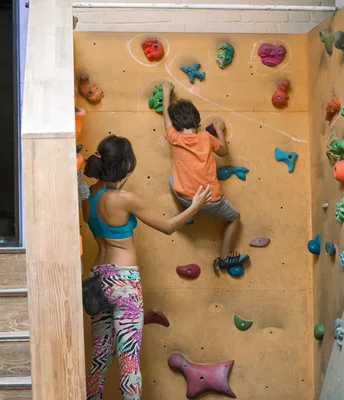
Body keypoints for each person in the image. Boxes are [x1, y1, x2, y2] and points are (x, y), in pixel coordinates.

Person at [82, 134, 212, 400]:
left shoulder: (88, 196)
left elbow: (104, 197)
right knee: (129, 359)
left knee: (99, 358)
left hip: (97, 280)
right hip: (123, 282)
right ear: (125, 166)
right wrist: (196, 206)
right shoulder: (125, 198)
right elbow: (167, 227)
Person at [160, 81, 249, 272]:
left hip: (187, 197)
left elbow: (166, 116)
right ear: (198, 121)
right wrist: (219, 130)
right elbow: (224, 152)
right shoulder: (206, 138)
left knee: (172, 179)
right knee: (235, 218)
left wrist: (166, 91)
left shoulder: (174, 138)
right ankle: (224, 257)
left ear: (175, 125)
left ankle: (187, 212)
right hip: (212, 200)